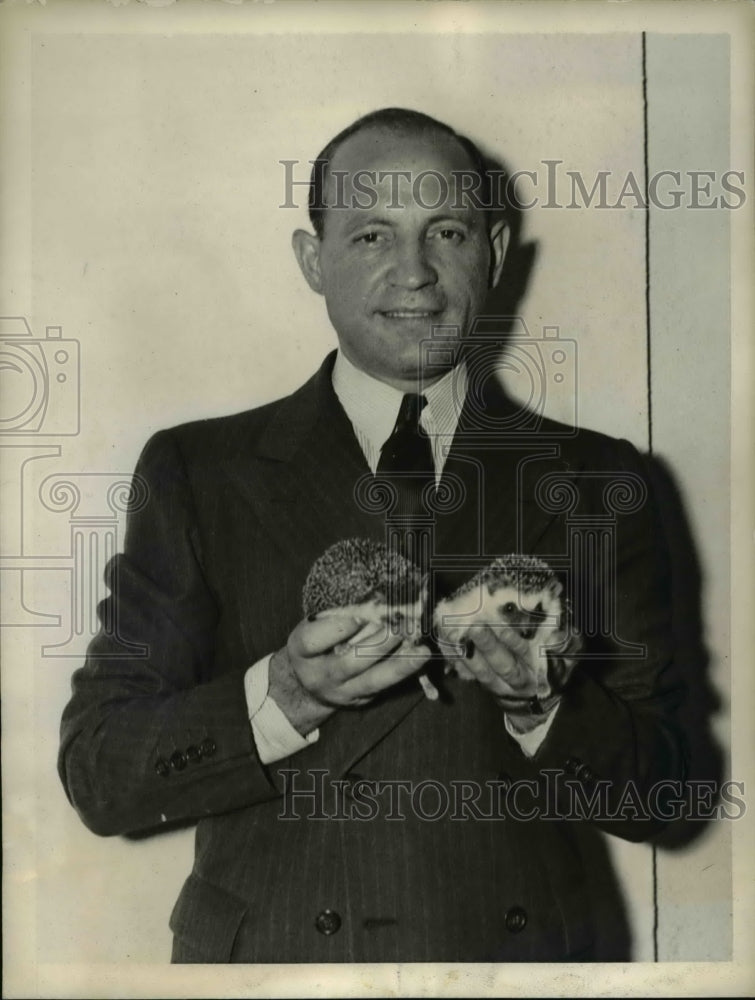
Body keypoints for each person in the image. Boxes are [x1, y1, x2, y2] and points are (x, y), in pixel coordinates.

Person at [58, 108, 687, 963]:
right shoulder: (198, 473)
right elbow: (100, 773)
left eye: (447, 232)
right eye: (370, 237)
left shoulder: (598, 483)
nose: (414, 273)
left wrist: (544, 708)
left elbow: (670, 792)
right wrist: (282, 696)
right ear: (312, 261)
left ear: (493, 254)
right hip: (280, 964)